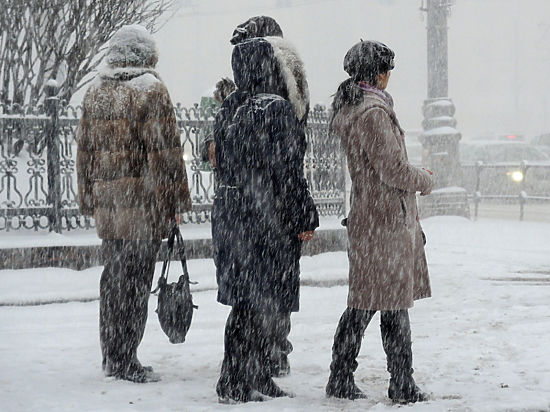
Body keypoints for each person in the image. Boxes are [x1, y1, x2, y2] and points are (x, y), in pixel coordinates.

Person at [76, 25, 192, 383]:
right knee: (135, 284)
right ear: (147, 54)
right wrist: (174, 202)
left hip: (110, 208)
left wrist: (89, 198)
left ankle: (112, 355)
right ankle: (127, 359)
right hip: (142, 207)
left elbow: (85, 154)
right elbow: (164, 154)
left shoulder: (95, 92)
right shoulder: (150, 90)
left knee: (113, 281)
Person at [325, 40, 434, 403]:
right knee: (387, 305)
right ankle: (401, 384)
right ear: (378, 74)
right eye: (388, 70)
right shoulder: (372, 113)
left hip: (372, 218)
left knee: (367, 303)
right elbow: (393, 169)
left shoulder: (359, 108)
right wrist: (425, 179)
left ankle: (343, 376)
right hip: (384, 221)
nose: (389, 77)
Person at [212, 35, 319, 402]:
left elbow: (222, 162)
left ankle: (250, 375)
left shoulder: (230, 107)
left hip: (234, 218)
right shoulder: (275, 108)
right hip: (266, 219)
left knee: (248, 302)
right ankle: (236, 380)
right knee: (258, 306)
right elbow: (288, 170)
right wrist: (304, 215)